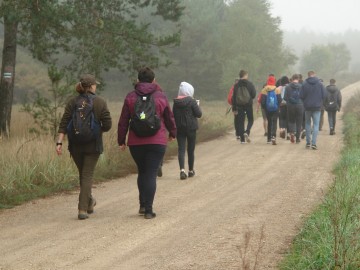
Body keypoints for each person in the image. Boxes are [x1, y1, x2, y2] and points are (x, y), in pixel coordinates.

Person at [118, 67, 177, 219]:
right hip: (157, 141)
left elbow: (123, 120)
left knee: (142, 171)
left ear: (138, 80)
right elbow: (169, 117)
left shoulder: (130, 96)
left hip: (136, 141)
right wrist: (173, 133)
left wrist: (121, 140)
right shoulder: (161, 96)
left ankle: (143, 205)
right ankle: (149, 210)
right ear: (154, 80)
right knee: (151, 173)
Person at [56, 74, 112, 220]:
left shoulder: (72, 102)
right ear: (92, 86)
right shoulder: (100, 102)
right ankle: (82, 209)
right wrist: (98, 131)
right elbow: (108, 124)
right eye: (95, 84)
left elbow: (64, 123)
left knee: (83, 174)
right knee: (87, 175)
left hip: (75, 146)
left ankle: (89, 202)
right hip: (93, 146)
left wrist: (59, 142)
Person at [173, 82, 202, 180]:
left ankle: (182, 170)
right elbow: (199, 114)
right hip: (191, 128)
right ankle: (190, 170)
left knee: (181, 149)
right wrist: (197, 105)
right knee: (190, 149)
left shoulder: (176, 102)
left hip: (180, 128)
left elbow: (174, 116)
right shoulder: (192, 101)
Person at [300, 71, 326, 150]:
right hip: (317, 107)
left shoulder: (304, 84)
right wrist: (320, 102)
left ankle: (308, 142)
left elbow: (301, 95)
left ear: (308, 76)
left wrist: (305, 102)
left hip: (307, 107)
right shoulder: (320, 84)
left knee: (307, 124)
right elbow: (324, 95)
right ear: (314, 75)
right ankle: (314, 143)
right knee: (316, 125)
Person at [231, 70, 257, 144]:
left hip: (239, 106)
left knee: (240, 122)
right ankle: (247, 131)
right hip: (248, 105)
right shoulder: (250, 84)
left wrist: (234, 108)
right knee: (251, 119)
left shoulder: (236, 85)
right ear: (245, 75)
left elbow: (234, 98)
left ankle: (242, 140)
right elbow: (254, 95)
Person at [261, 75, 282, 145]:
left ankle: (269, 139)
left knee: (269, 122)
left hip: (267, 109)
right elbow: (279, 100)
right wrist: (278, 107)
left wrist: (265, 108)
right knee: (275, 122)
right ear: (274, 82)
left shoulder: (264, 89)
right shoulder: (277, 89)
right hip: (275, 109)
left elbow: (262, 101)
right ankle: (274, 136)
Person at [284, 74, 304, 143]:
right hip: (300, 105)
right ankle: (298, 138)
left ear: (292, 79)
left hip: (290, 106)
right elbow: (304, 97)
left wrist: (290, 101)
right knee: (299, 122)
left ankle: (292, 133)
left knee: (291, 120)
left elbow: (285, 98)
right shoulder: (301, 86)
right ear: (298, 79)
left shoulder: (288, 87)